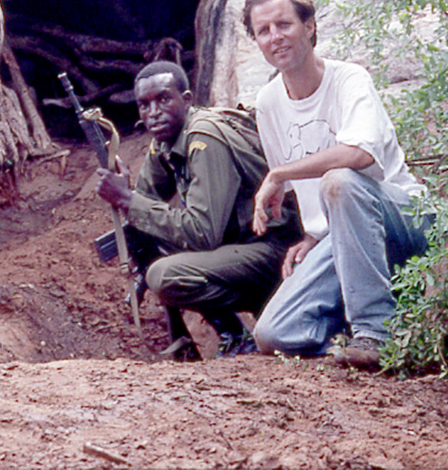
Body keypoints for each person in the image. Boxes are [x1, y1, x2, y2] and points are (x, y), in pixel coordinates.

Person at [244, 0, 431, 369]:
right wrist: (312, 236)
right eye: (264, 30)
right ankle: (352, 333)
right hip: (342, 235)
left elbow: (358, 154)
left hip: (405, 221)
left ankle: (377, 334)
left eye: (284, 24)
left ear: (309, 26)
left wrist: (277, 173)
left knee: (340, 179)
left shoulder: (349, 79)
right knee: (274, 333)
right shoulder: (268, 103)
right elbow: (309, 191)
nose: (275, 37)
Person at [96, 61, 300, 360]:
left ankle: (238, 336)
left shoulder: (204, 139)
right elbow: (147, 205)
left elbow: (203, 234)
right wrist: (127, 190)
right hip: (240, 248)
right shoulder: (166, 140)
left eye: (163, 99)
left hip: (275, 250)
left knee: (165, 276)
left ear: (187, 99)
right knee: (149, 235)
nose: (153, 113)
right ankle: (233, 332)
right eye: (144, 105)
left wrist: (128, 200)